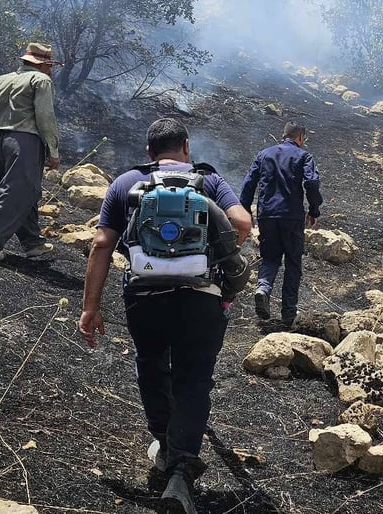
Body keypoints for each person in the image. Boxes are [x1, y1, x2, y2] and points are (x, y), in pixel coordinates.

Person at [78, 118, 251, 514]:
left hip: (144, 295)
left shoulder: (125, 183)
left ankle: (163, 441)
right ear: (186, 148)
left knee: (151, 365)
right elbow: (242, 222)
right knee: (193, 379)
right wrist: (218, 255)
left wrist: (91, 307)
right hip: (201, 298)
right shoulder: (209, 181)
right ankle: (180, 472)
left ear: (149, 152)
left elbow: (101, 244)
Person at [0, 42, 61, 262]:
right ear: (43, 64)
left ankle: (33, 242)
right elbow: (45, 117)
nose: (51, 70)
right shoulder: (41, 80)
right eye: (50, 65)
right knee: (17, 192)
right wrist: (53, 149)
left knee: (24, 191)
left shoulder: (1, 80)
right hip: (25, 143)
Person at [239, 121, 323, 327]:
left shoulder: (264, 154)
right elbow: (312, 182)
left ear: (283, 135)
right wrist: (314, 209)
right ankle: (288, 313)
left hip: (267, 215)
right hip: (292, 217)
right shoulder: (304, 156)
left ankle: (263, 288)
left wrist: (243, 210)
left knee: (269, 258)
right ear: (301, 137)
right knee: (293, 263)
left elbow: (249, 183)